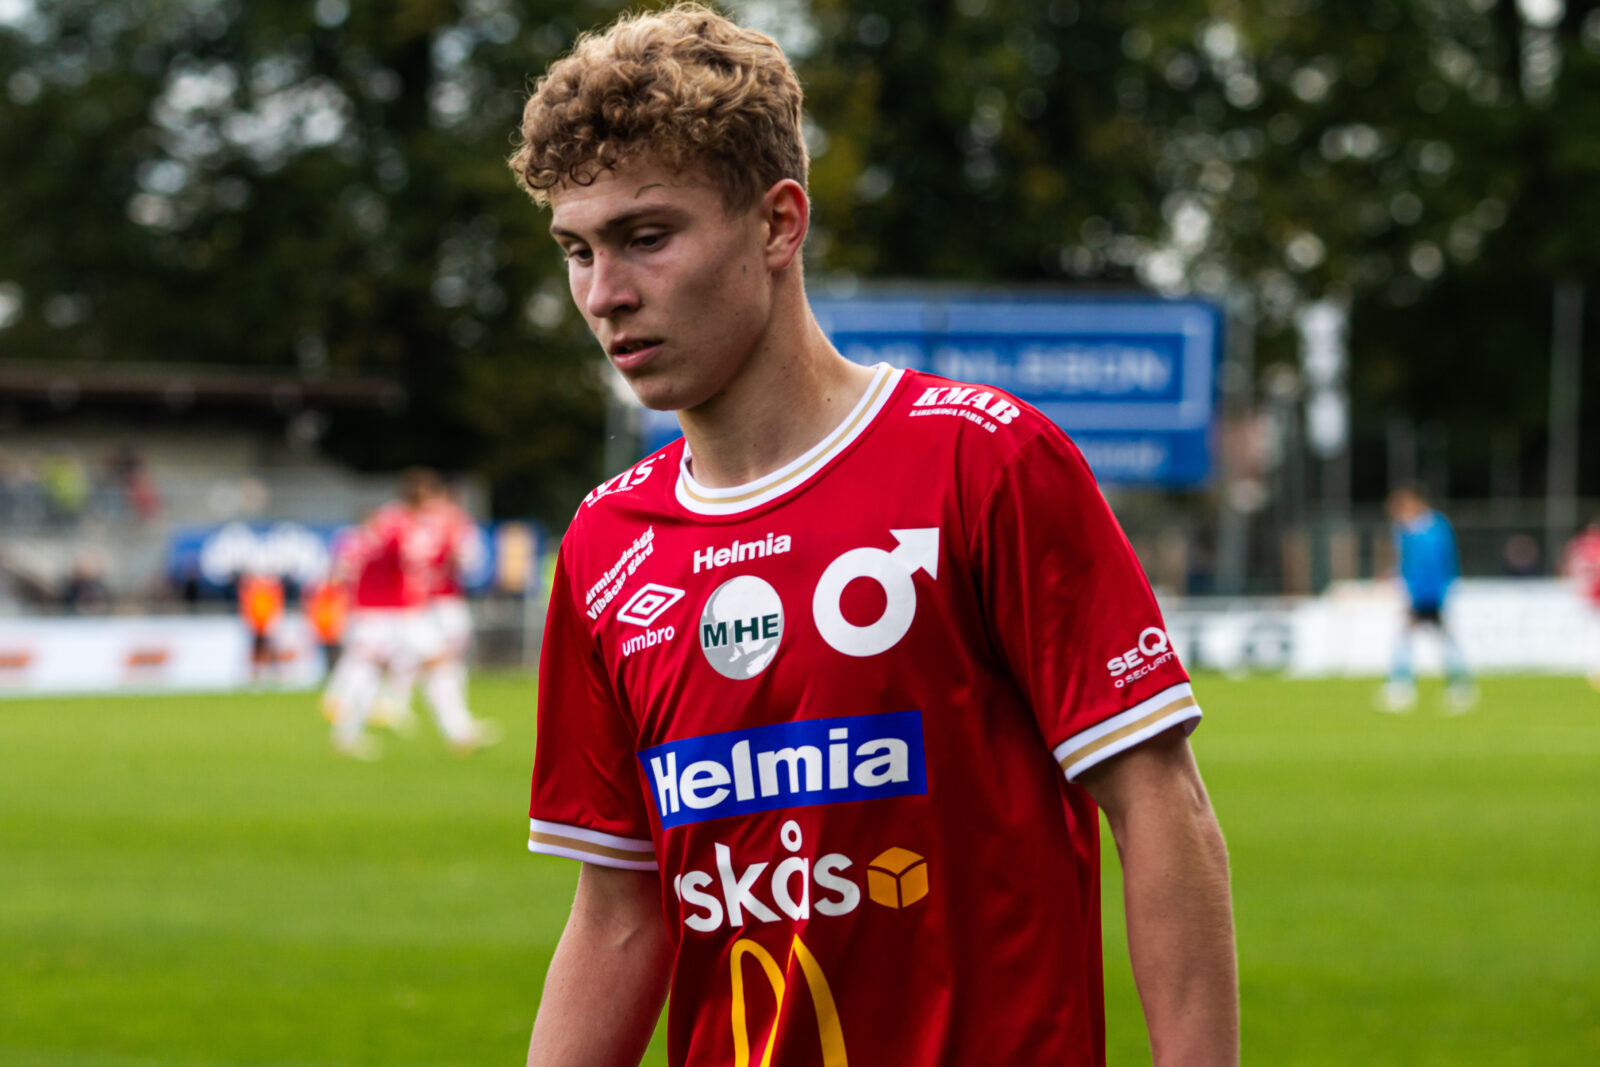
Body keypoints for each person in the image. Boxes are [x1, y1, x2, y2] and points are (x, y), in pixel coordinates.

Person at [509, 7, 1238, 1067]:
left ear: (778, 223)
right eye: (577, 251)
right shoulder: (604, 543)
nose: (604, 294)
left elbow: (1159, 804)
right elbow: (620, 913)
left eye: (646, 238)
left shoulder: (984, 461)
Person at [1379, 483, 1475, 711]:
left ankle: (1455, 684)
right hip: (1416, 591)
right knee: (1415, 636)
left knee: (1438, 637)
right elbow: (1406, 562)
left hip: (1432, 592)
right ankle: (1409, 684)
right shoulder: (1404, 530)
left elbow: (1439, 564)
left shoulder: (1434, 528)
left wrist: (1432, 593)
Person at [1562, 517, 1600, 689]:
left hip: (1583, 594)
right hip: (1595, 594)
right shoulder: (1596, 546)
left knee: (1590, 634)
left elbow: (1566, 567)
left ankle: (1591, 668)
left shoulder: (1577, 545)